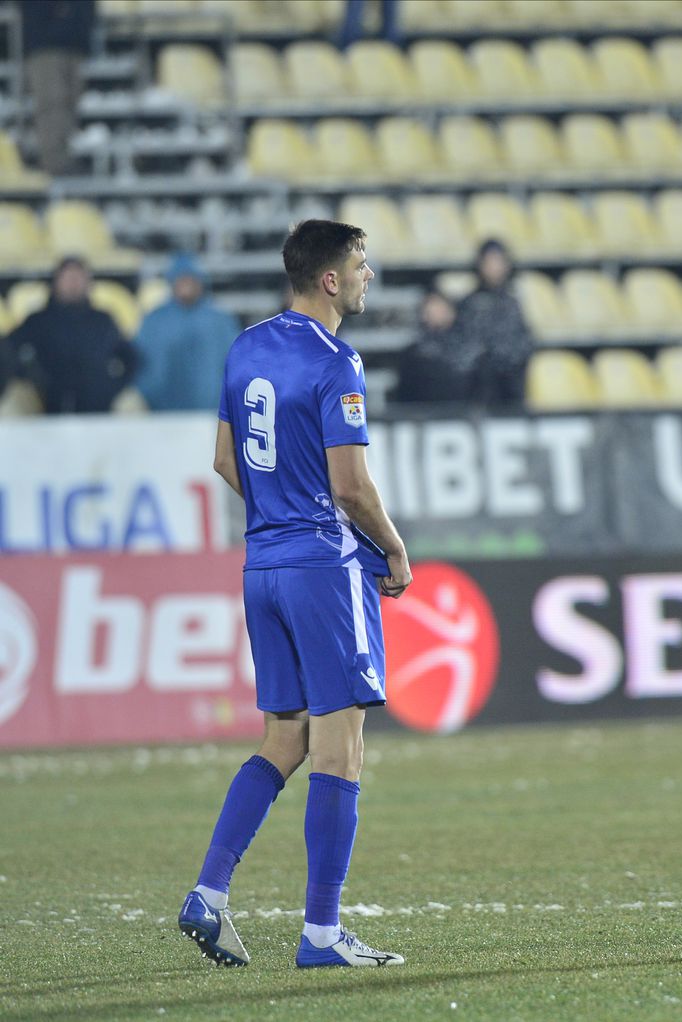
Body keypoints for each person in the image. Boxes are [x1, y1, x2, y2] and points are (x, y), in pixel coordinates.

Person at [178, 220, 413, 969]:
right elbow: (350, 488)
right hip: (322, 567)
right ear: (332, 281)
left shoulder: (245, 346)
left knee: (285, 739)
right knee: (340, 752)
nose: (370, 274)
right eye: (362, 265)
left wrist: (279, 507)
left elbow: (223, 459)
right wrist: (395, 548)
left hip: (264, 565)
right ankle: (320, 934)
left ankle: (208, 895)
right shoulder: (337, 360)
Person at [8, 256, 136, 414]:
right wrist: (31, 380)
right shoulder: (38, 321)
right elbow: (8, 350)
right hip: (49, 410)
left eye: (79, 278)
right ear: (56, 282)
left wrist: (112, 387)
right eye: (68, 278)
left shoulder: (102, 320)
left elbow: (131, 359)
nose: (74, 284)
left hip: (97, 411)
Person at [134, 252, 241, 412]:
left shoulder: (221, 321)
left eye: (191, 279)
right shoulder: (154, 321)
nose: (186, 284)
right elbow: (139, 363)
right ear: (171, 282)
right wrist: (150, 395)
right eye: (181, 279)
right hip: (163, 416)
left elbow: (238, 365)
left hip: (212, 416)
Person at [454, 238, 534, 406]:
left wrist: (507, 361)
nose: (494, 267)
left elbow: (523, 341)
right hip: (479, 391)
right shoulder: (469, 304)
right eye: (489, 261)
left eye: (499, 261)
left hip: (511, 388)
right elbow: (465, 347)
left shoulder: (512, 305)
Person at [19, 0, 94, 176]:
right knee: (52, 103)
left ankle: (64, 160)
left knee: (70, 104)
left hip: (75, 41)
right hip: (43, 41)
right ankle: (53, 162)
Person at [388, 287, 479, 404]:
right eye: (428, 310)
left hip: (463, 413)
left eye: (439, 309)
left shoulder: (470, 350)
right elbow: (405, 394)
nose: (433, 314)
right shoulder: (413, 353)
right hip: (424, 415)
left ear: (451, 312)